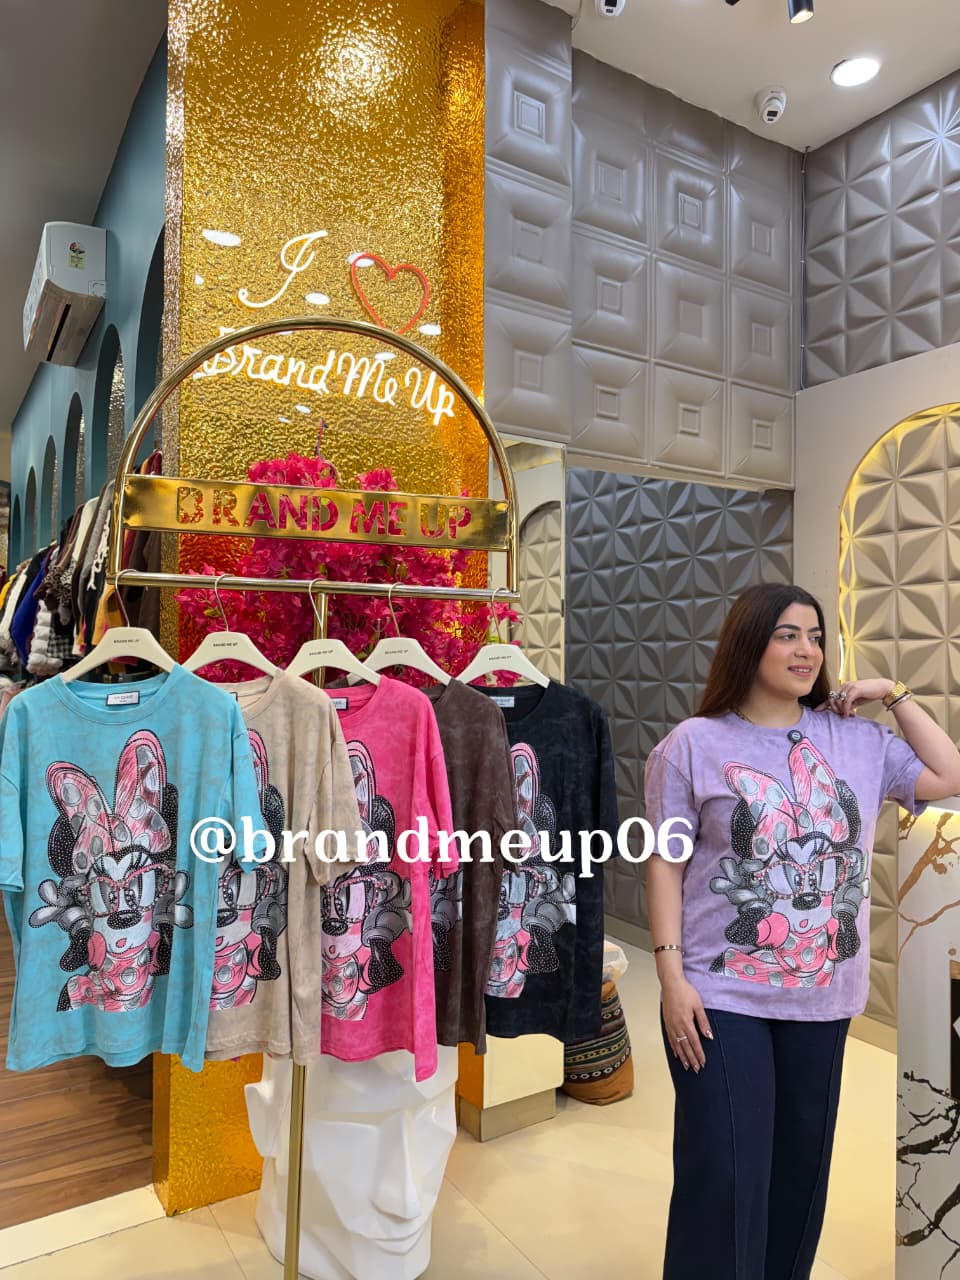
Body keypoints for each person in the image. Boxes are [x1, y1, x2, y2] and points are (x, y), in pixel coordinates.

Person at [644, 582, 960, 1280]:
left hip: (823, 996)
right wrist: (671, 978)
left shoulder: (858, 741)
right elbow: (665, 863)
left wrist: (894, 692)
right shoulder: (692, 745)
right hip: (719, 992)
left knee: (798, 1176)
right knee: (725, 1172)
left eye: (814, 636)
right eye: (786, 634)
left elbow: (949, 773)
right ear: (748, 642)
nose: (806, 649)